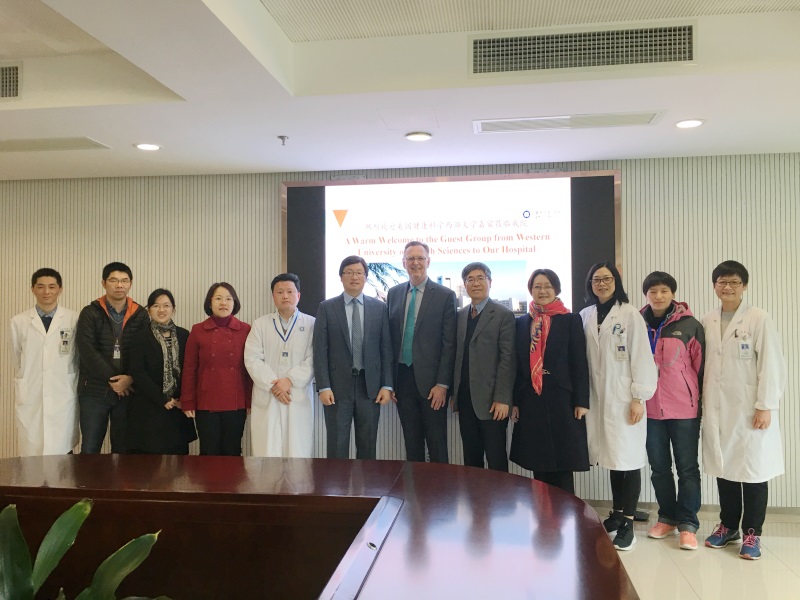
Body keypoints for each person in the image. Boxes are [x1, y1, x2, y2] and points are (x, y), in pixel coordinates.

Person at [702, 261, 786, 560]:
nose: (727, 287)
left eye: (734, 282)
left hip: (750, 408)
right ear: (714, 286)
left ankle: (752, 532)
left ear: (744, 286)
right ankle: (728, 526)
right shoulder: (708, 319)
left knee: (752, 471)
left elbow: (771, 364)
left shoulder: (758, 318)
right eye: (722, 282)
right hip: (718, 408)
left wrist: (765, 405)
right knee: (724, 468)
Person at [580, 262, 657, 551]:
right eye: (596, 279)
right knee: (613, 458)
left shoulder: (629, 314)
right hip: (598, 398)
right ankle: (616, 513)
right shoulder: (586, 315)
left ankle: (628, 523)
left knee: (629, 459)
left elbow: (642, 356)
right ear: (590, 284)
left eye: (607, 278)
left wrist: (639, 398)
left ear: (616, 282)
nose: (601, 283)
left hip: (625, 398)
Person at [639, 272, 705, 550]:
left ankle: (688, 523)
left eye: (664, 291)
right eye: (653, 291)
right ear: (646, 295)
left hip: (684, 408)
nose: (658, 296)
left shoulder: (690, 325)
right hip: (650, 409)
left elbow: (700, 367)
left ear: (673, 293)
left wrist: (694, 396)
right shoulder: (637, 323)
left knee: (687, 468)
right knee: (659, 468)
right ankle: (667, 517)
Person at [510, 268, 590, 494]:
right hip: (531, 397)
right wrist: (515, 401)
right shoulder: (523, 322)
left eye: (547, 286)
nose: (542, 291)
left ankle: (566, 509)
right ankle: (542, 509)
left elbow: (579, 361)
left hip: (562, 397)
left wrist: (581, 401)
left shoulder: (570, 319)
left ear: (556, 289)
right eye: (537, 286)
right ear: (530, 290)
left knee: (563, 460)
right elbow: (518, 364)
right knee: (538, 459)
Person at [313, 256, 393, 459]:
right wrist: (323, 386)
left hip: (370, 387)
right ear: (341, 277)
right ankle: (337, 482)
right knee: (337, 446)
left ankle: (365, 482)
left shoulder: (379, 308)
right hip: (337, 389)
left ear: (365, 277)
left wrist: (387, 385)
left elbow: (386, 349)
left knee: (368, 446)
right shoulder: (327, 307)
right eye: (349, 272)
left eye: (359, 273)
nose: (354, 277)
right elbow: (320, 350)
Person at [387, 241, 457, 463]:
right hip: (402, 379)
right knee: (411, 441)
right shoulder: (394, 293)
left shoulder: (445, 295)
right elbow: (390, 341)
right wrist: (390, 382)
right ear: (403, 262)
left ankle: (439, 486)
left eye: (420, 258)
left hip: (432, 383)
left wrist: (442, 384)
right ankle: (414, 485)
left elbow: (449, 344)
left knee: (436, 442)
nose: (415, 262)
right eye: (410, 258)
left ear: (428, 261)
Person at [76, 262, 149, 454]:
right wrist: (114, 380)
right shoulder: (90, 312)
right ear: (103, 283)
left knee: (124, 450)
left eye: (124, 281)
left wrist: (130, 378)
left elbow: (144, 352)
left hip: (128, 392)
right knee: (90, 448)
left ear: (130, 283)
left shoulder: (140, 314)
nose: (119, 285)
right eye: (113, 280)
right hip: (94, 390)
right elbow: (87, 349)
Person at [452, 262, 515, 472]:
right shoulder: (461, 315)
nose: (475, 283)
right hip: (465, 399)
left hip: (492, 402)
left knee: (496, 459)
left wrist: (503, 398)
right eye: (470, 279)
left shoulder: (503, 315)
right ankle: (474, 495)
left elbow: (508, 359)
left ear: (490, 282)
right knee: (471, 459)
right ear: (464, 285)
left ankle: (500, 495)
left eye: (480, 278)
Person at [10, 268, 79, 456]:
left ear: (60, 289)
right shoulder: (19, 321)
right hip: (31, 393)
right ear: (33, 289)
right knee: (32, 453)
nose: (46, 292)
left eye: (52, 287)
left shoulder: (73, 319)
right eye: (40, 287)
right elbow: (17, 357)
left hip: (62, 392)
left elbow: (77, 356)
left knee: (62, 454)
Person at [245, 273, 315, 458]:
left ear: (298, 295)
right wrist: (274, 385)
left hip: (296, 394)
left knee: (298, 452)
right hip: (268, 394)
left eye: (290, 292)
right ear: (273, 296)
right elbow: (252, 358)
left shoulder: (311, 324)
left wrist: (290, 380)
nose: (285, 296)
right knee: (266, 451)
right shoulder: (260, 324)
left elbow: (314, 358)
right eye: (280, 292)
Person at [181, 282, 252, 456]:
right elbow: (189, 369)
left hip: (236, 400)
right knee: (208, 451)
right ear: (210, 302)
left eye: (228, 299)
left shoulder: (246, 330)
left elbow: (250, 369)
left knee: (232, 450)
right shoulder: (198, 330)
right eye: (218, 298)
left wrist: (250, 400)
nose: (223, 303)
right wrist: (188, 401)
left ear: (234, 303)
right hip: (206, 400)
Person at [127, 289, 197, 455]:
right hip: (149, 407)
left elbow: (190, 369)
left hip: (177, 407)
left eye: (166, 305)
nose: (161, 310)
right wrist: (161, 398)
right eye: (156, 306)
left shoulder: (184, 335)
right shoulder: (140, 336)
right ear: (149, 310)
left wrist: (183, 398)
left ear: (173, 309)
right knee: (150, 463)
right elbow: (138, 371)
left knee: (179, 462)